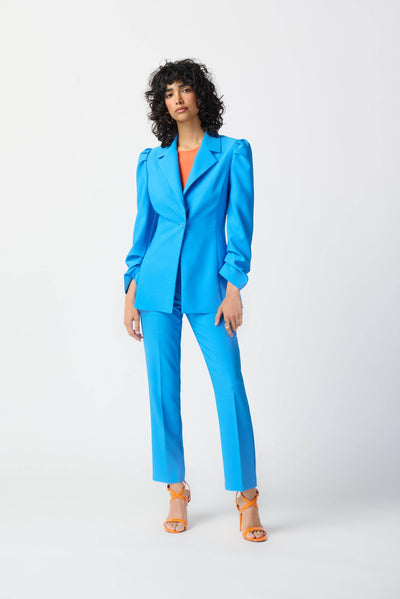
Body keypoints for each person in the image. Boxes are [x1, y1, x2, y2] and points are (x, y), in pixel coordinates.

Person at [123, 58, 267, 542]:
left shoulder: (232, 154)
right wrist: (131, 288)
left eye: (185, 89)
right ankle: (176, 490)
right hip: (156, 287)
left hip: (210, 288)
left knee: (229, 385)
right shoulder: (151, 162)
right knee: (162, 390)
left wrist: (234, 286)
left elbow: (240, 227)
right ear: (162, 105)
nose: (177, 98)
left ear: (200, 95)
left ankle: (247, 497)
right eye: (168, 93)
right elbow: (143, 232)